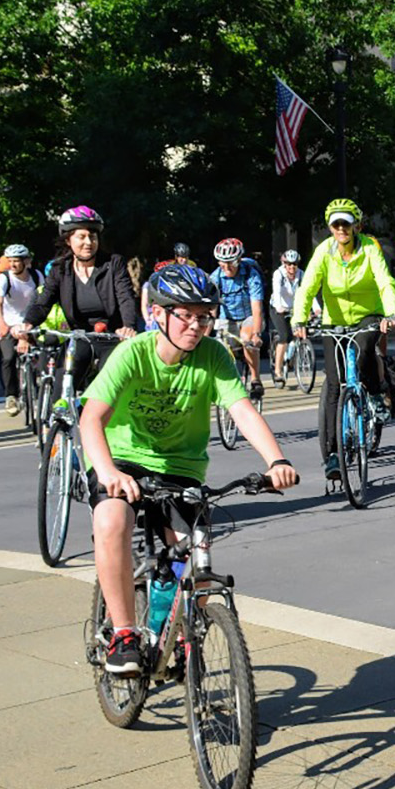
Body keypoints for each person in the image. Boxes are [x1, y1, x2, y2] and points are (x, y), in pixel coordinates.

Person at [79, 262, 299, 674]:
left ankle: (182, 630)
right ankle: (124, 633)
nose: (196, 326)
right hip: (122, 457)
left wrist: (276, 460)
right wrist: (108, 472)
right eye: (185, 315)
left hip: (181, 466)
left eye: (204, 316)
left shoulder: (213, 356)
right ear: (157, 314)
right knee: (111, 521)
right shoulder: (132, 354)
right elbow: (91, 419)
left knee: (195, 551)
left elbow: (241, 410)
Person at [291, 198, 395, 481]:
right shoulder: (324, 251)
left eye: (346, 223)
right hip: (334, 320)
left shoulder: (369, 249)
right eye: (336, 224)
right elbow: (307, 287)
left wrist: (391, 312)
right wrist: (299, 319)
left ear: (356, 226)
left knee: (365, 349)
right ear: (330, 227)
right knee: (334, 384)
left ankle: (374, 393)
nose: (341, 228)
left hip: (368, 315)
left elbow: (385, 281)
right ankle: (333, 455)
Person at [21, 207, 139, 391]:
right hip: (80, 336)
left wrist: (128, 326)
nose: (88, 242)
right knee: (63, 382)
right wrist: (27, 323)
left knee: (110, 383)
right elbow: (43, 302)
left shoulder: (113, 263)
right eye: (81, 237)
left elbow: (126, 297)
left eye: (93, 236)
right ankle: (61, 409)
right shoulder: (60, 269)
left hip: (111, 336)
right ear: (68, 240)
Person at [208, 238, 267, 398]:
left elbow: (256, 307)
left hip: (248, 316)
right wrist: (204, 333)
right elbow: (211, 309)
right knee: (220, 348)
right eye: (223, 263)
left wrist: (256, 334)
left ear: (239, 260)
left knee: (246, 338)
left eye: (231, 263)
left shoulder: (251, 275)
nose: (227, 267)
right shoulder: (216, 277)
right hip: (227, 318)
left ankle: (255, 379)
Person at [0, 244, 41, 416]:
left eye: (16, 261)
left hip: (31, 323)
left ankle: (43, 386)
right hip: (10, 323)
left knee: (45, 352)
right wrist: (2, 324)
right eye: (10, 261)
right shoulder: (4, 278)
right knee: (8, 357)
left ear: (26, 261)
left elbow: (43, 299)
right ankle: (11, 396)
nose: (12, 265)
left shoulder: (36, 276)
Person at [269, 249, 303, 388]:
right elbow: (276, 291)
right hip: (278, 308)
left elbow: (307, 292)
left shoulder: (301, 274)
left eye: (294, 264)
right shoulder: (278, 274)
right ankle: (278, 371)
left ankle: (291, 358)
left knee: (298, 334)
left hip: (294, 309)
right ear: (284, 264)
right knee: (283, 337)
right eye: (289, 264)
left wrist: (316, 309)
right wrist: (279, 307)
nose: (292, 267)